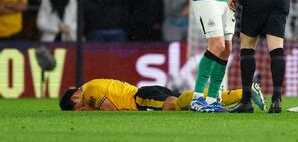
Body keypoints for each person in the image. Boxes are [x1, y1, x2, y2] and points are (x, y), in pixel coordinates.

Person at [59, 78, 266, 112]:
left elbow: (109, 109)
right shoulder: (91, 84)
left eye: (79, 107)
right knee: (184, 105)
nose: (83, 108)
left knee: (175, 105)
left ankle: (244, 92)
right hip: (147, 92)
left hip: (140, 99)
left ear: (75, 97)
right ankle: (244, 93)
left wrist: (91, 110)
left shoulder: (90, 92)